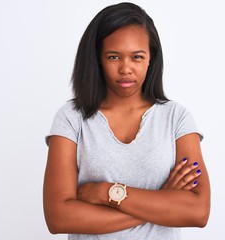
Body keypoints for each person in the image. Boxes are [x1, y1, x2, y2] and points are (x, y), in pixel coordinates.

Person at [43, 2, 211, 239]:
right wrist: (162, 201)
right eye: (113, 57)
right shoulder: (71, 118)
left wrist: (107, 192)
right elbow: (58, 218)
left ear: (151, 58)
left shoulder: (176, 118)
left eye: (137, 57)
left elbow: (198, 212)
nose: (126, 68)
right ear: (98, 59)